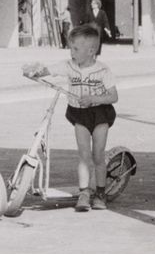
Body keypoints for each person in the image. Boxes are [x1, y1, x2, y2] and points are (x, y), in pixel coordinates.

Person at [23, 22, 119, 212]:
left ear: (91, 51)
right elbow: (48, 70)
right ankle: (84, 193)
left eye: (75, 49)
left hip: (100, 114)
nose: (71, 52)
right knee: (83, 155)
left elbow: (113, 96)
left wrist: (93, 99)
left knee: (98, 155)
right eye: (71, 48)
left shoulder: (103, 70)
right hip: (79, 114)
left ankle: (100, 193)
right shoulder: (69, 66)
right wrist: (34, 71)